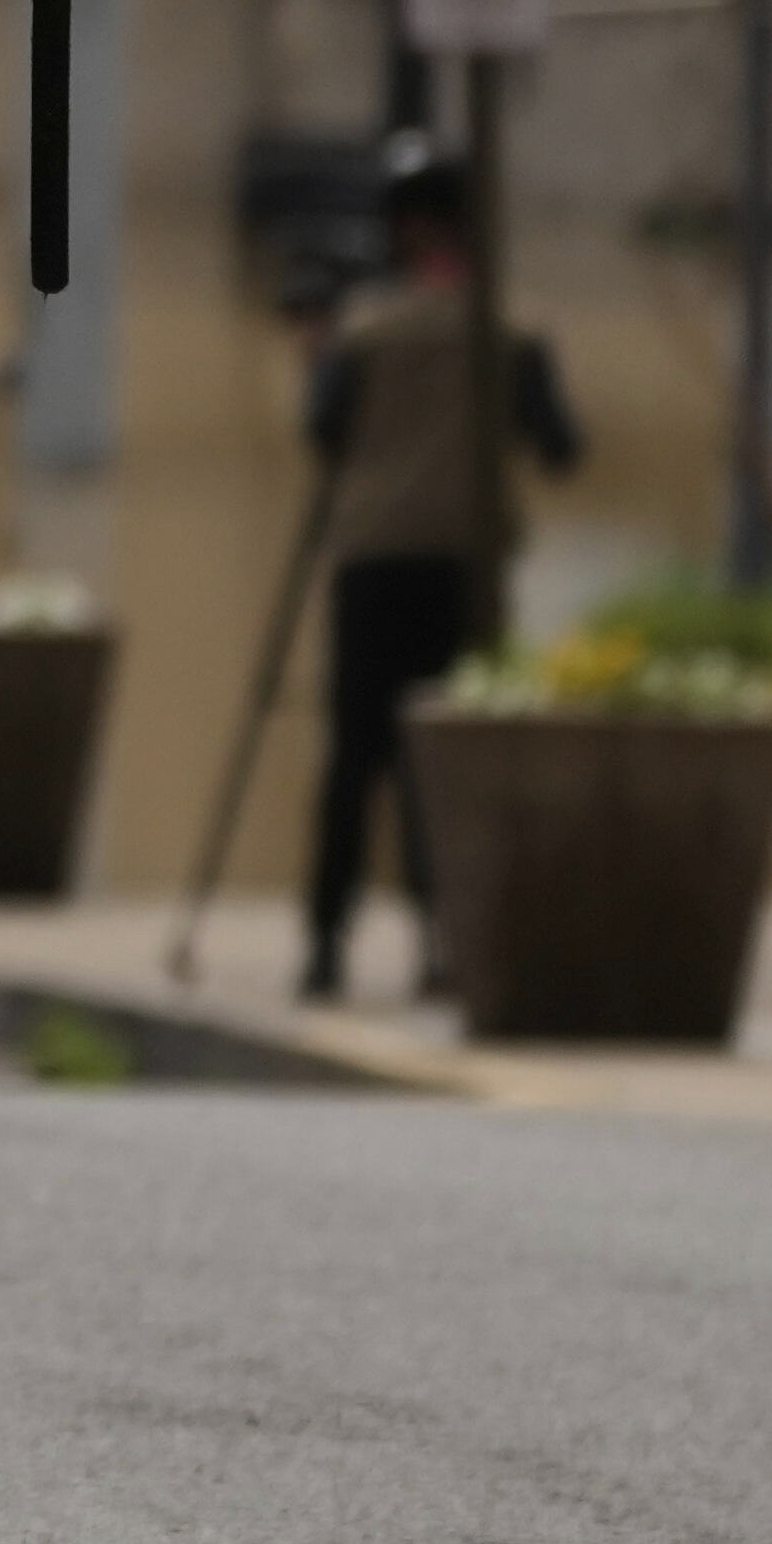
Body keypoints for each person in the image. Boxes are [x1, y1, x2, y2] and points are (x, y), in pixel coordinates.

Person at [299, 150, 578, 1007]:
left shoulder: (360, 328)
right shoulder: (513, 329)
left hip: (373, 558)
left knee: (355, 756)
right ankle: (442, 941)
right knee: (448, 760)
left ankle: (324, 946)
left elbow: (321, 431)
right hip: (466, 567)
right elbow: (561, 446)